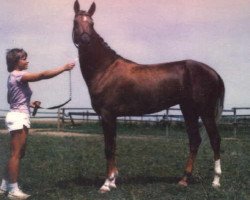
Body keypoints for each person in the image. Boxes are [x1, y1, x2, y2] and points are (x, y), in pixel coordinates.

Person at [0, 48, 75, 199]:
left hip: (18, 115)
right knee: (16, 154)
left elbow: (11, 100)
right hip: (19, 117)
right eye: (23, 59)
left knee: (19, 153)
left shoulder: (11, 77)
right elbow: (42, 75)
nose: (27, 61)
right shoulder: (19, 75)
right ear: (16, 61)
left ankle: (4, 185)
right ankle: (13, 191)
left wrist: (30, 103)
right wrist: (64, 68)